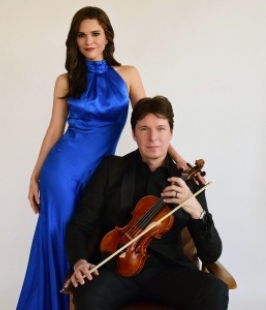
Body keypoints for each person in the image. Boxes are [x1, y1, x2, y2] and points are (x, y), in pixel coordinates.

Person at [17, 6, 190, 310]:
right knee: (60, 237)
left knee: (93, 231)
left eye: (95, 33)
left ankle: (92, 299)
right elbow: (55, 129)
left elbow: (150, 120)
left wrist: (178, 158)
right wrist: (35, 175)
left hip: (102, 169)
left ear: (107, 35)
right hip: (62, 170)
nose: (88, 41)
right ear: (74, 40)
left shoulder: (128, 74)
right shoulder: (65, 80)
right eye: (81, 35)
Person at [64, 96, 229, 310]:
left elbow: (210, 254)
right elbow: (78, 226)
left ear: (171, 133)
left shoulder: (188, 180)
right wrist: (79, 261)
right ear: (134, 134)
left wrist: (196, 210)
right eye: (144, 129)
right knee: (88, 296)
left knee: (215, 290)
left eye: (161, 128)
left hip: (168, 274)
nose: (153, 138)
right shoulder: (110, 169)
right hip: (116, 271)